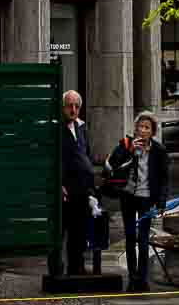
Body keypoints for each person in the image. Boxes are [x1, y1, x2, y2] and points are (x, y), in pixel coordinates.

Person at [107, 111, 170, 292]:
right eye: (140, 127)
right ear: (135, 129)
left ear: (152, 132)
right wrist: (128, 151)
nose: (142, 131)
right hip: (128, 196)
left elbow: (164, 177)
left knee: (143, 238)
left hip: (146, 198)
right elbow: (112, 164)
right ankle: (132, 276)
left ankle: (142, 278)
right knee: (129, 236)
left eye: (146, 128)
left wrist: (162, 201)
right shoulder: (126, 145)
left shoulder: (159, 150)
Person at [56, 90, 100, 278]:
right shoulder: (56, 128)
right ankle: (58, 270)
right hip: (66, 188)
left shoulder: (82, 127)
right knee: (63, 231)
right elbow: (54, 158)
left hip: (83, 187)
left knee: (79, 231)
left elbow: (86, 154)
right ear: (63, 107)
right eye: (69, 106)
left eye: (76, 106)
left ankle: (77, 267)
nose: (73, 110)